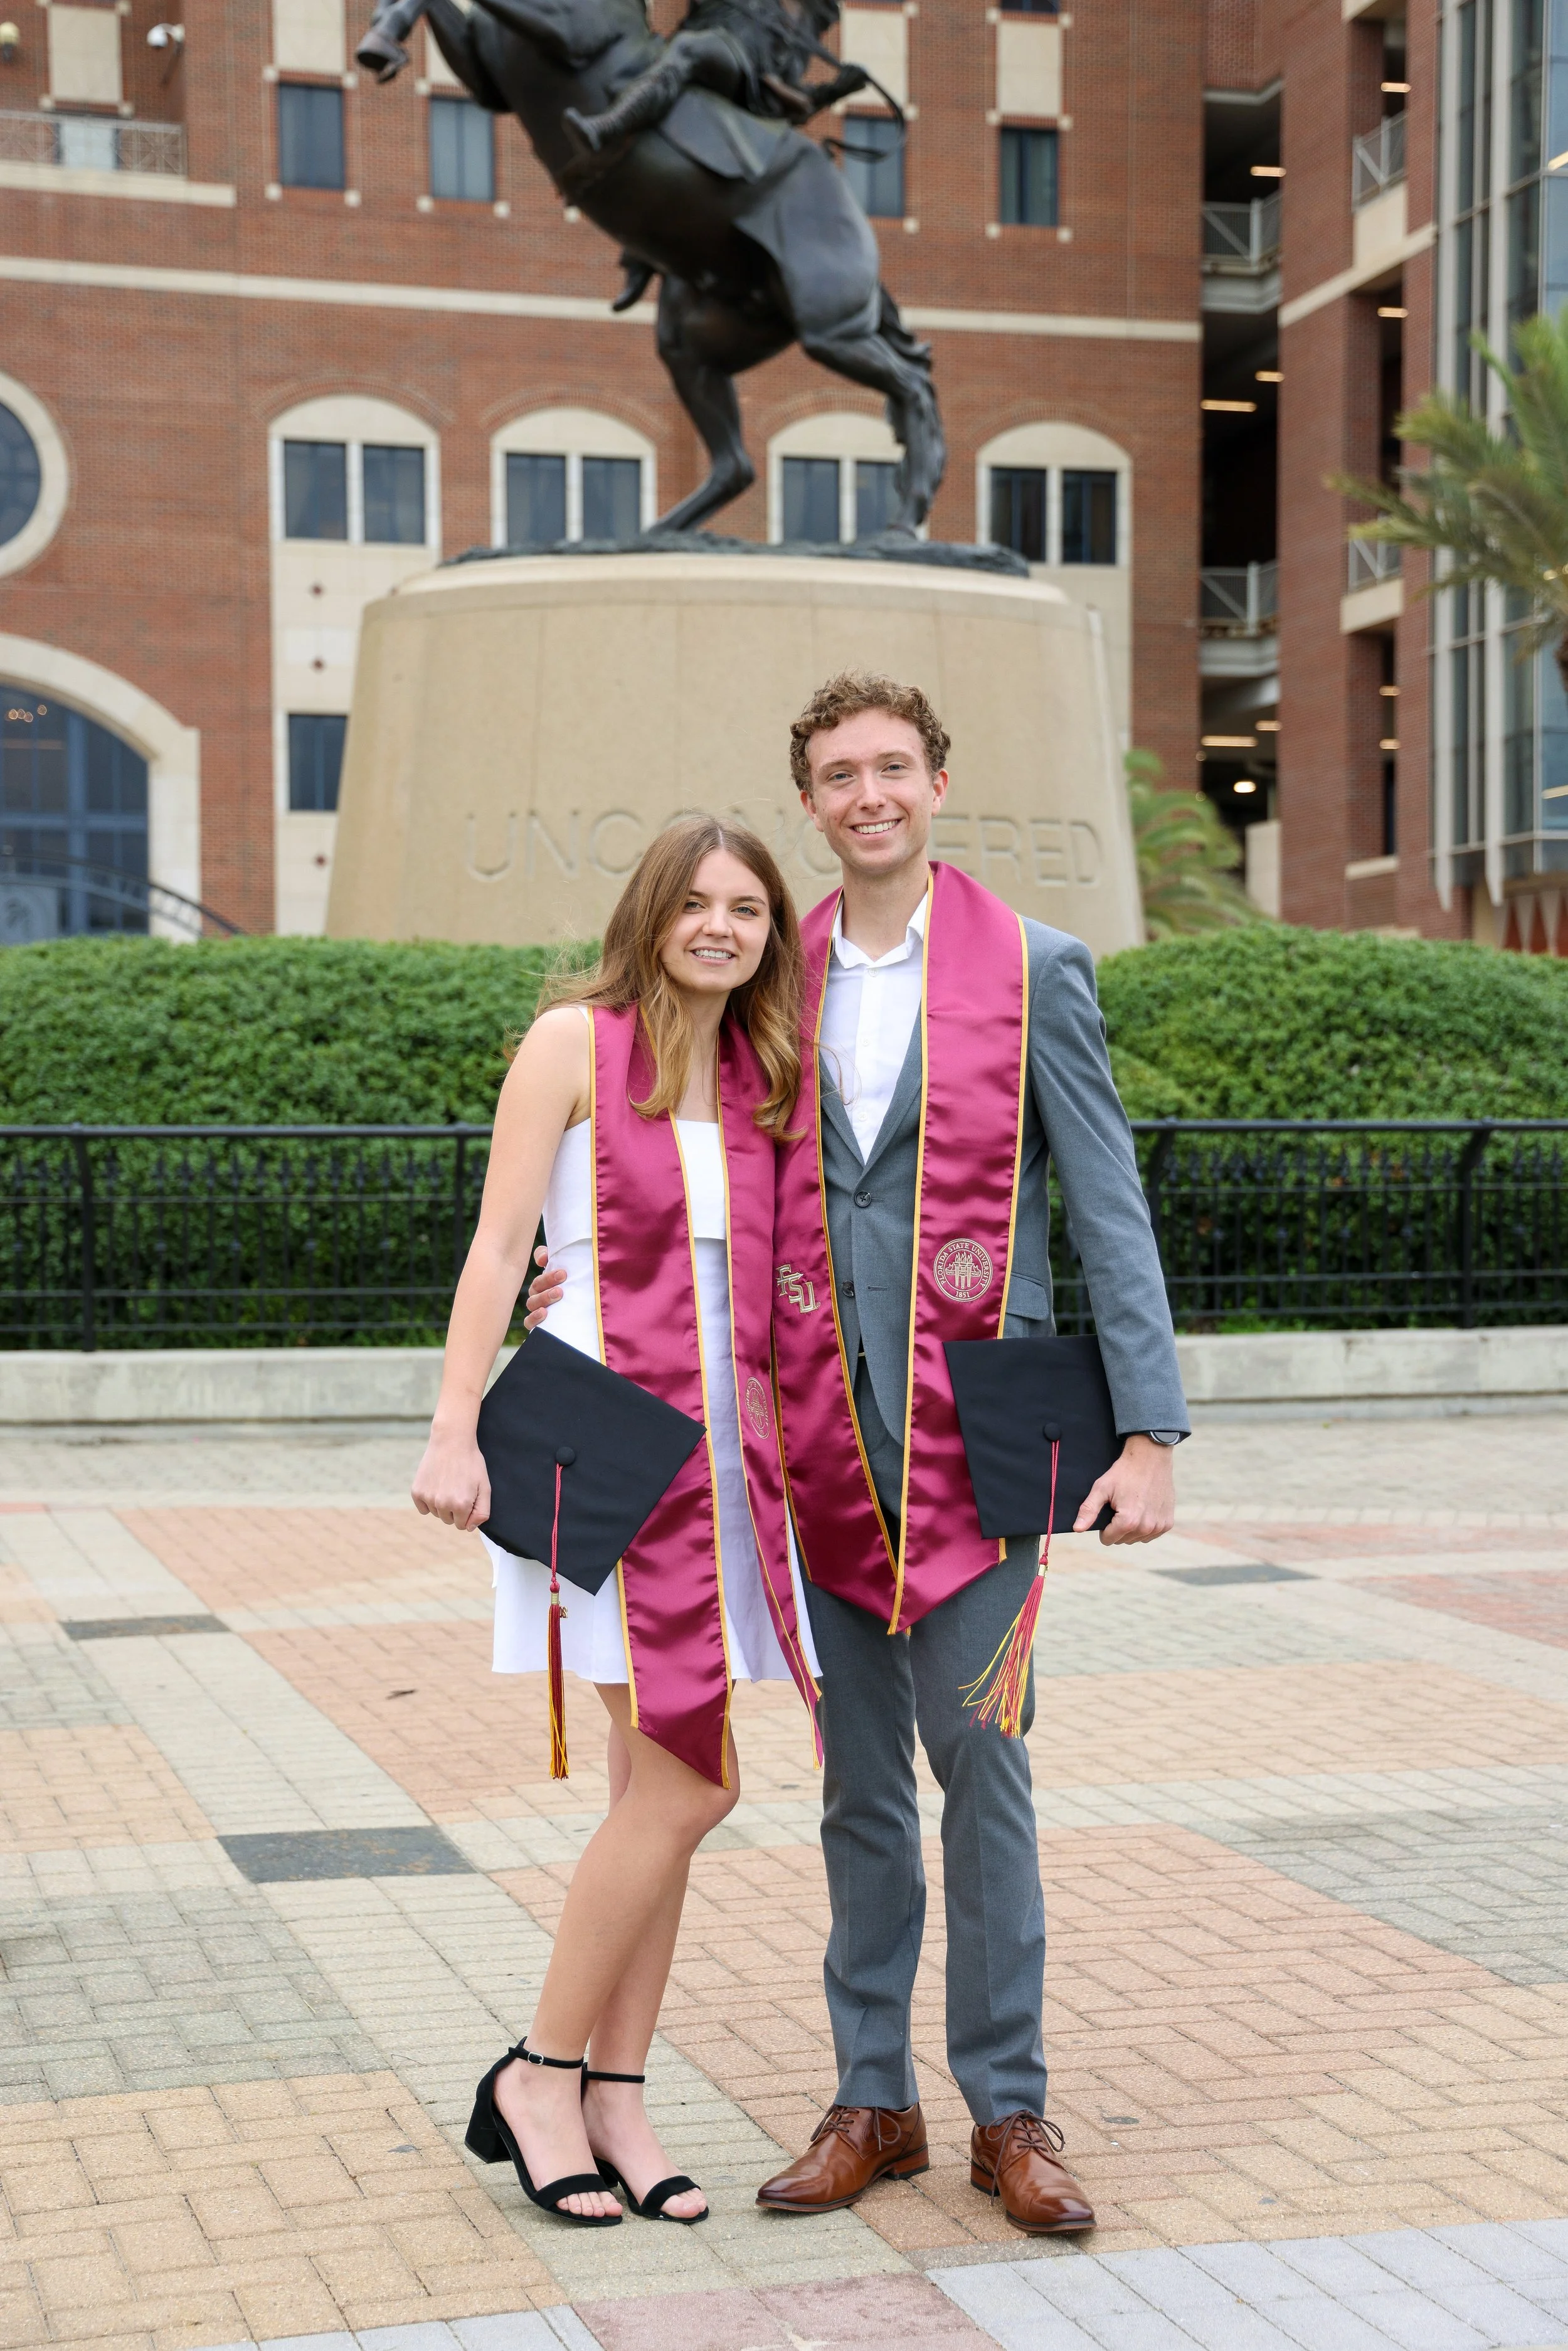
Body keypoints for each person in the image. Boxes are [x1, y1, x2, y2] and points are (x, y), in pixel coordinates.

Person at [750, 672, 1190, 2234]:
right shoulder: (771, 978)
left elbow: (1109, 1205)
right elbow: (692, 1181)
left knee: (982, 1764)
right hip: (816, 1434)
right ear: (810, 801)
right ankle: (874, 2098)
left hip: (981, 1438)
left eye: (890, 766)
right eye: (837, 773)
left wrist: (1148, 1429)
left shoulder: (1035, 968)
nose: (866, 793)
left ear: (937, 782)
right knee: (856, 1785)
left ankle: (1008, 2104)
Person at [413, 815, 819, 2229]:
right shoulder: (572, 1045)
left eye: (748, 908)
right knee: (693, 1785)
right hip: (611, 1446)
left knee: (655, 1792)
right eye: (696, 901)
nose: (720, 926)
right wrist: (452, 1424)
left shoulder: (770, 1071)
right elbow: (496, 1244)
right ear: (650, 912)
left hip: (733, 1470)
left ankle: (617, 2096)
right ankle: (539, 2072)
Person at [561, 0, 869, 163]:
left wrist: (833, 92)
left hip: (740, 65)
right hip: (694, 34)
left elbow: (796, 102)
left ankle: (606, 128)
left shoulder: (802, 16)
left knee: (689, 51)